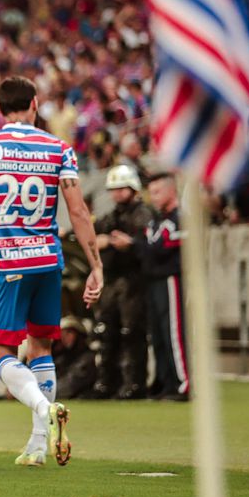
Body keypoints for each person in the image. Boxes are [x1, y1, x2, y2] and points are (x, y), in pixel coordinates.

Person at [0, 76, 103, 468]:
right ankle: (38, 445)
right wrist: (95, 265)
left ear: (0, 108)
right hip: (48, 261)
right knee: (42, 346)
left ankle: (43, 407)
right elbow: (77, 210)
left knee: (1, 352)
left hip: (7, 262)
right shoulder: (59, 148)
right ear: (35, 104)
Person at [91, 164, 154, 399]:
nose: (116, 193)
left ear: (133, 188)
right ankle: (108, 383)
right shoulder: (112, 215)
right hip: (113, 280)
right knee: (107, 332)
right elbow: (92, 235)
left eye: (121, 188)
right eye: (113, 189)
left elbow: (144, 243)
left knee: (133, 333)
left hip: (134, 281)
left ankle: (135, 384)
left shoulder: (142, 214)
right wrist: (105, 240)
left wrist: (128, 243)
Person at [139, 173, 189, 401]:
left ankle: (183, 383)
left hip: (170, 279)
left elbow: (161, 246)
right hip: (153, 279)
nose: (153, 197)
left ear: (171, 191)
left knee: (173, 331)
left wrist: (139, 244)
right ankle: (165, 381)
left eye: (157, 191)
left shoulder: (180, 218)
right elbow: (149, 245)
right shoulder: (157, 220)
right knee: (158, 334)